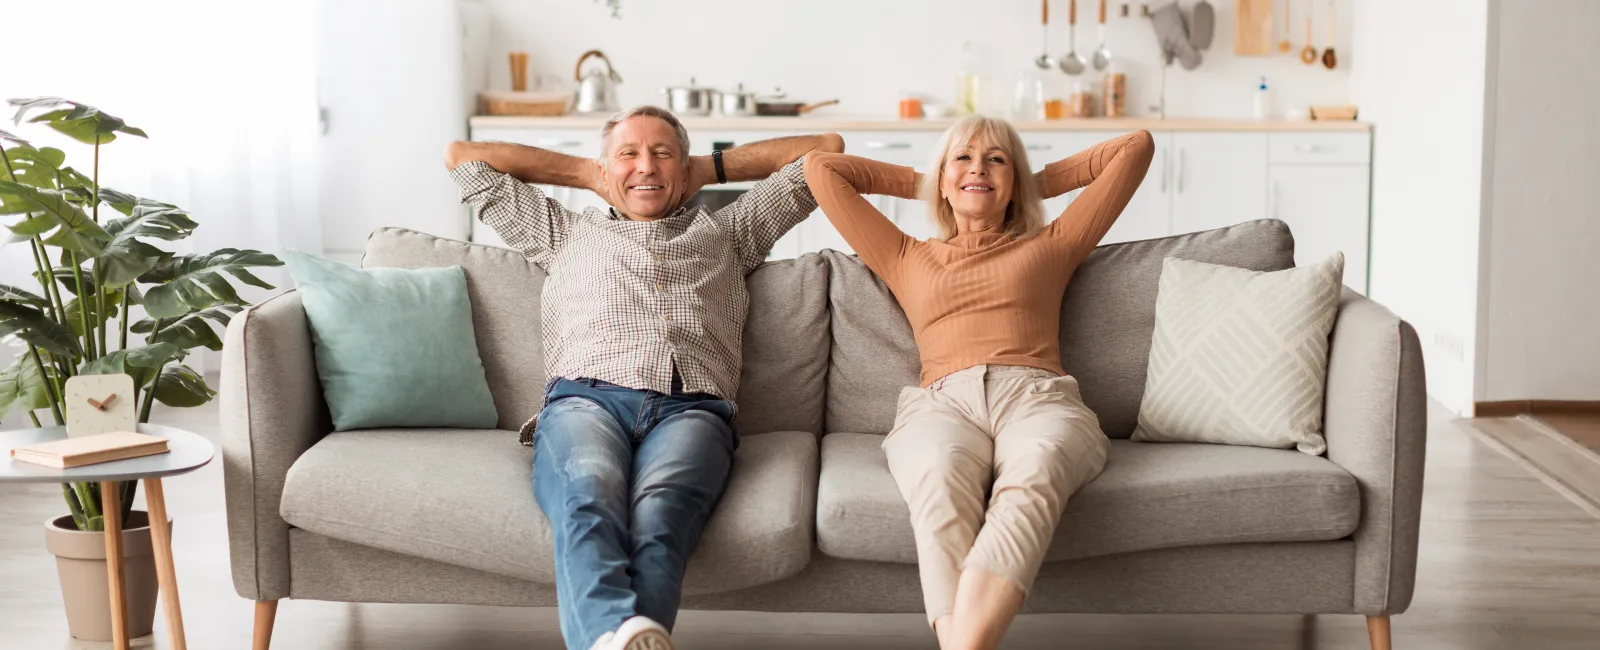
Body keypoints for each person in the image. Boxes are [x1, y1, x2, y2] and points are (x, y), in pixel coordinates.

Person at [446, 105, 843, 650]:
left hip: (693, 410)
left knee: (662, 511)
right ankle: (622, 633)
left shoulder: (730, 232)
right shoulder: (563, 231)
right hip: (585, 402)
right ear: (605, 170)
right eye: (628, 154)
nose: (646, 167)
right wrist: (591, 172)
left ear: (685, 168)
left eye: (662, 154)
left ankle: (611, 635)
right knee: (588, 489)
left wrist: (705, 168)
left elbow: (825, 150)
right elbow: (463, 159)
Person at [804, 116, 1153, 650]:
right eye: (963, 158)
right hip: (942, 405)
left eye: (996, 160)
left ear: (1015, 181)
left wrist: (1025, 183)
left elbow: (1135, 146)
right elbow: (821, 168)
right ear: (942, 177)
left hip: (1037, 398)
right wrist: (937, 178)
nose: (979, 169)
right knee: (939, 479)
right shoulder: (906, 255)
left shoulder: (1052, 245)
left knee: (1038, 467)